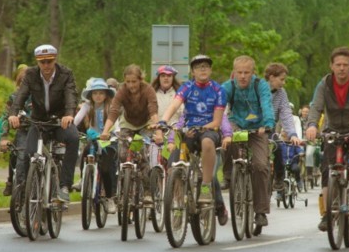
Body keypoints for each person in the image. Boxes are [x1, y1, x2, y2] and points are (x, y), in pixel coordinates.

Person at [306, 47, 349, 232]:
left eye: (345, 65)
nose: (342, 68)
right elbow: (316, 106)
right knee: (327, 170)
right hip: (332, 130)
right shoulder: (324, 84)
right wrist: (311, 125)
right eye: (338, 65)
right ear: (331, 66)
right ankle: (327, 215)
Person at [8, 44, 80, 203]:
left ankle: (64, 186)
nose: (46, 65)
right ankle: (29, 188)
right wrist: (13, 114)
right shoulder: (30, 75)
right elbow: (21, 95)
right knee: (28, 153)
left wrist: (69, 114)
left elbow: (71, 95)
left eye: (49, 61)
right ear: (37, 62)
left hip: (60, 121)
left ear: (55, 60)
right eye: (42, 62)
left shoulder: (65, 74)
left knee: (74, 138)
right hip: (39, 121)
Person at [157, 54, 225, 205]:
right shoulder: (186, 87)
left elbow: (217, 121)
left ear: (210, 70)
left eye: (206, 66)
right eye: (198, 67)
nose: (202, 69)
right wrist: (164, 120)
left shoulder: (218, 90)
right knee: (173, 163)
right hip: (188, 131)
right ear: (192, 72)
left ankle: (206, 187)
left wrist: (204, 127)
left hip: (209, 130)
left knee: (207, 142)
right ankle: (177, 204)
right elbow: (174, 105)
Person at [221, 55, 275, 228]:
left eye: (246, 72)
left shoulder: (261, 86)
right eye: (239, 72)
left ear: (253, 73)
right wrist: (222, 126)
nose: (243, 76)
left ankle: (260, 211)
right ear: (234, 73)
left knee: (260, 166)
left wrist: (267, 124)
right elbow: (219, 107)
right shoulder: (228, 87)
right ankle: (229, 175)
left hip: (257, 127)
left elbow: (267, 105)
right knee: (226, 140)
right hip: (237, 124)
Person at [100, 64, 159, 205]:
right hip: (128, 124)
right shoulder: (122, 91)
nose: (131, 85)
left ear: (140, 80)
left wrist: (157, 131)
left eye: (134, 81)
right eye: (128, 82)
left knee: (143, 156)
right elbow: (114, 111)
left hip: (146, 124)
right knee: (122, 153)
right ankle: (124, 185)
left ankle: (147, 191)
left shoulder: (148, 90)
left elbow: (153, 110)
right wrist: (105, 131)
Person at [74, 77, 118, 213]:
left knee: (106, 168)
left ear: (106, 94)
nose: (98, 96)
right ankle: (83, 179)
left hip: (109, 141)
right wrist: (71, 129)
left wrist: (114, 133)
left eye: (101, 93)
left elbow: (116, 123)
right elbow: (76, 120)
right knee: (85, 153)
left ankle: (110, 197)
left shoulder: (111, 106)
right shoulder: (88, 106)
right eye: (95, 93)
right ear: (91, 95)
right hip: (94, 140)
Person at [0, 64, 28, 196]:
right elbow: (4, 119)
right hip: (23, 132)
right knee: (16, 154)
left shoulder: (38, 96)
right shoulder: (13, 98)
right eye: (20, 83)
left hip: (40, 132)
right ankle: (14, 186)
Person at [263, 63, 300, 197]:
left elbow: (285, 113)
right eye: (282, 79)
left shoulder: (281, 93)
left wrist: (292, 134)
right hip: (254, 128)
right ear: (272, 77)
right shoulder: (259, 89)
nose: (283, 83)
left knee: (278, 146)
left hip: (269, 130)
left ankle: (278, 177)